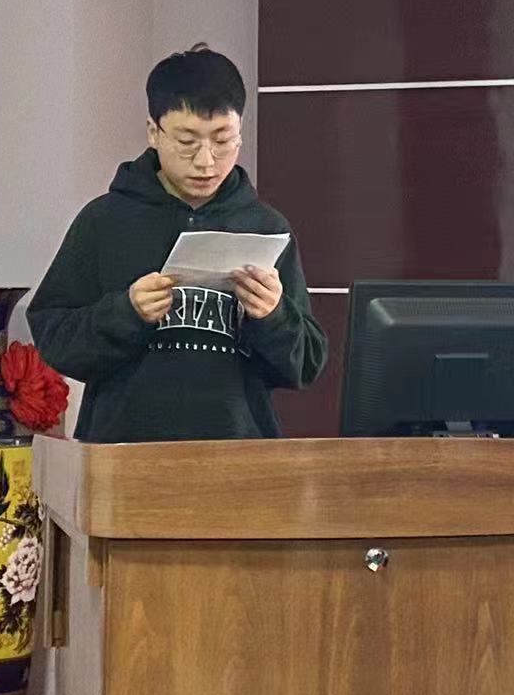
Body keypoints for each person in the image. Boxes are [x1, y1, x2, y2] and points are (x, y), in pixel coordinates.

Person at [28, 44, 328, 442]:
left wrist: (273, 316)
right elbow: (55, 340)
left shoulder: (265, 227)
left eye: (223, 140)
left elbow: (305, 366)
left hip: (239, 454)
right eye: (187, 141)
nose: (206, 161)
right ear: (154, 132)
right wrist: (126, 312)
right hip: (124, 452)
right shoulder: (104, 221)